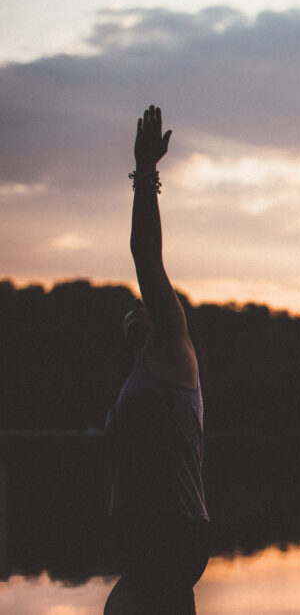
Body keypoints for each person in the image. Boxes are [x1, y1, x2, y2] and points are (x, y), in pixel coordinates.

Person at [104, 106, 210, 614]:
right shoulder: (139, 374)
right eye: (133, 303)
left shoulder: (172, 348)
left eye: (147, 301)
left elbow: (146, 256)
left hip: (169, 533)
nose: (137, 302)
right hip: (150, 536)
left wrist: (146, 173)